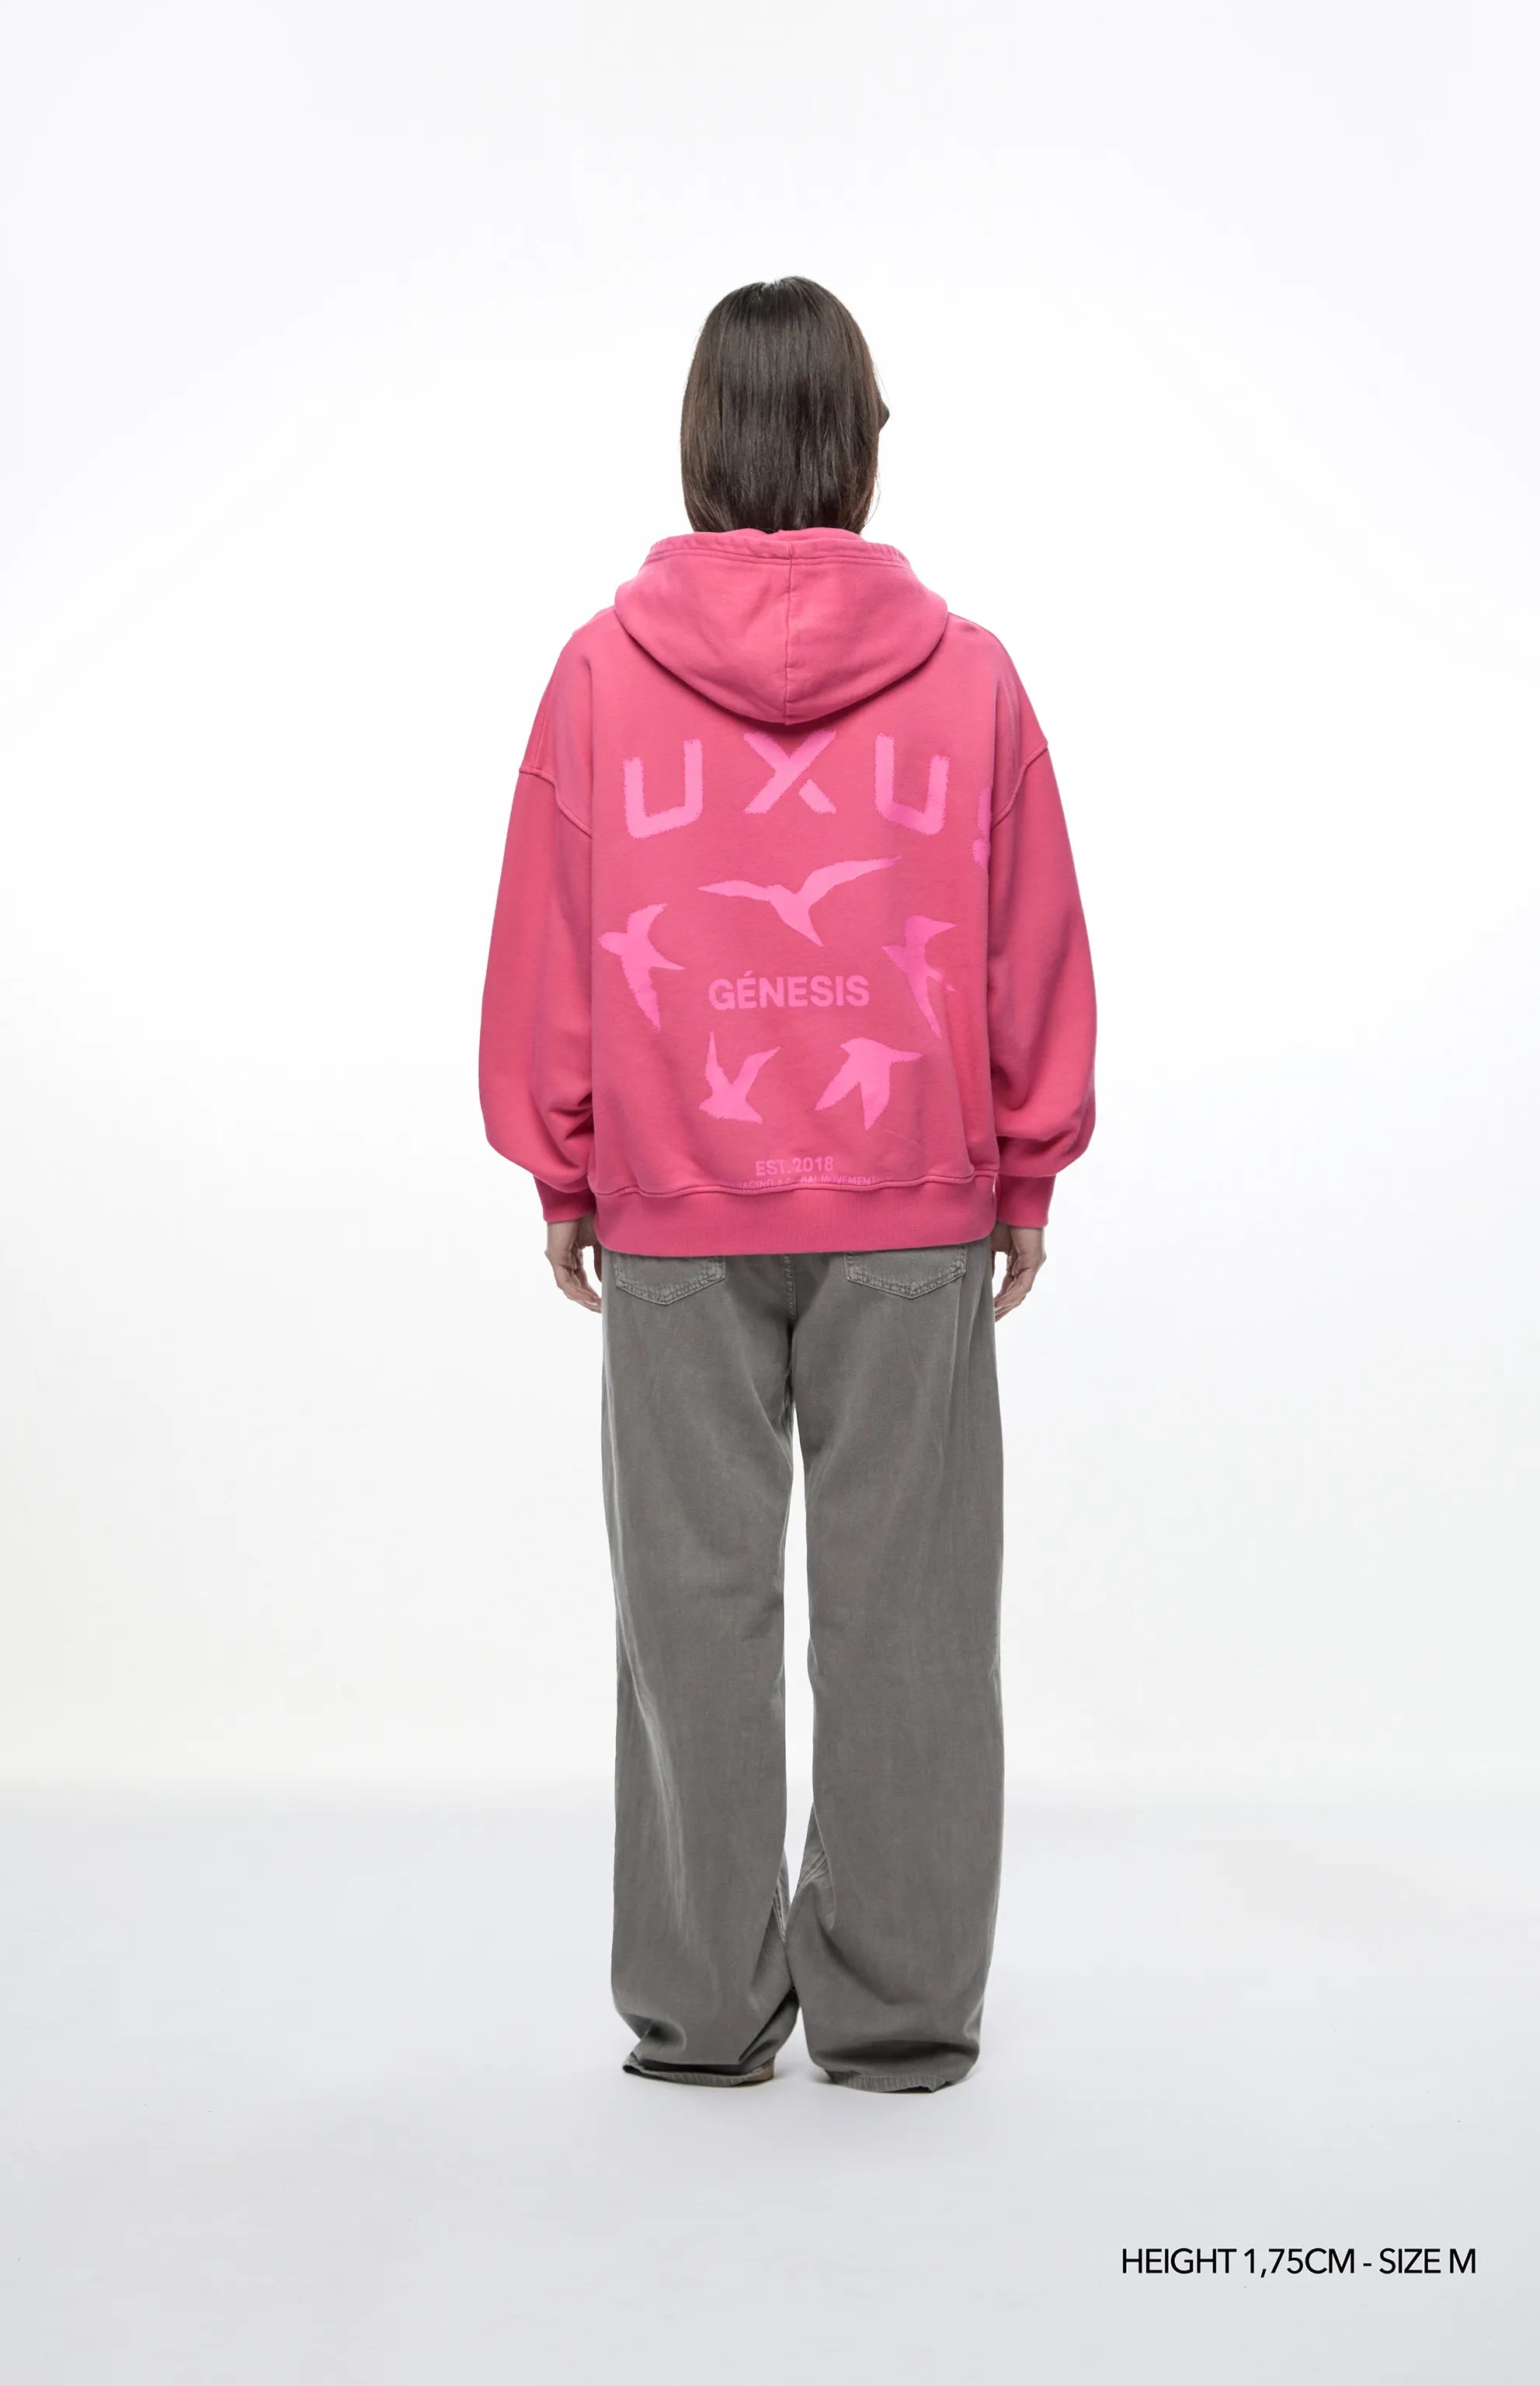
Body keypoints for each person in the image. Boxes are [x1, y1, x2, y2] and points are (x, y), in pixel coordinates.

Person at [479, 277, 1097, 2092]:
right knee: (911, 1617)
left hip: (676, 1201)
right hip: (912, 1200)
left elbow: (554, 933)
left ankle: (699, 2009)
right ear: (859, 446)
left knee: (689, 1610)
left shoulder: (600, 678)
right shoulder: (970, 678)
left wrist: (564, 1164)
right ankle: (897, 2010)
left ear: (702, 444)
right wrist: (1028, 1160)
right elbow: (1028, 936)